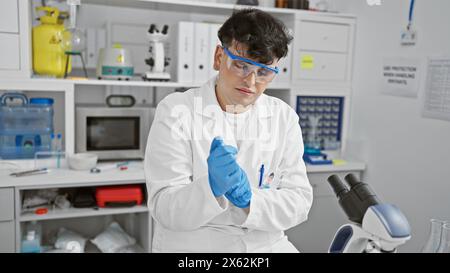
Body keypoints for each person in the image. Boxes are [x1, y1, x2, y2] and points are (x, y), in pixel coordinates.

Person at [144, 8, 313, 252]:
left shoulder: (283, 118)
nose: (251, 82)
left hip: (264, 245)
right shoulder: (176, 111)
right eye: (241, 65)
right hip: (197, 247)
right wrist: (210, 188)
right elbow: (164, 207)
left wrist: (249, 200)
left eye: (264, 72)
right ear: (218, 57)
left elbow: (299, 203)